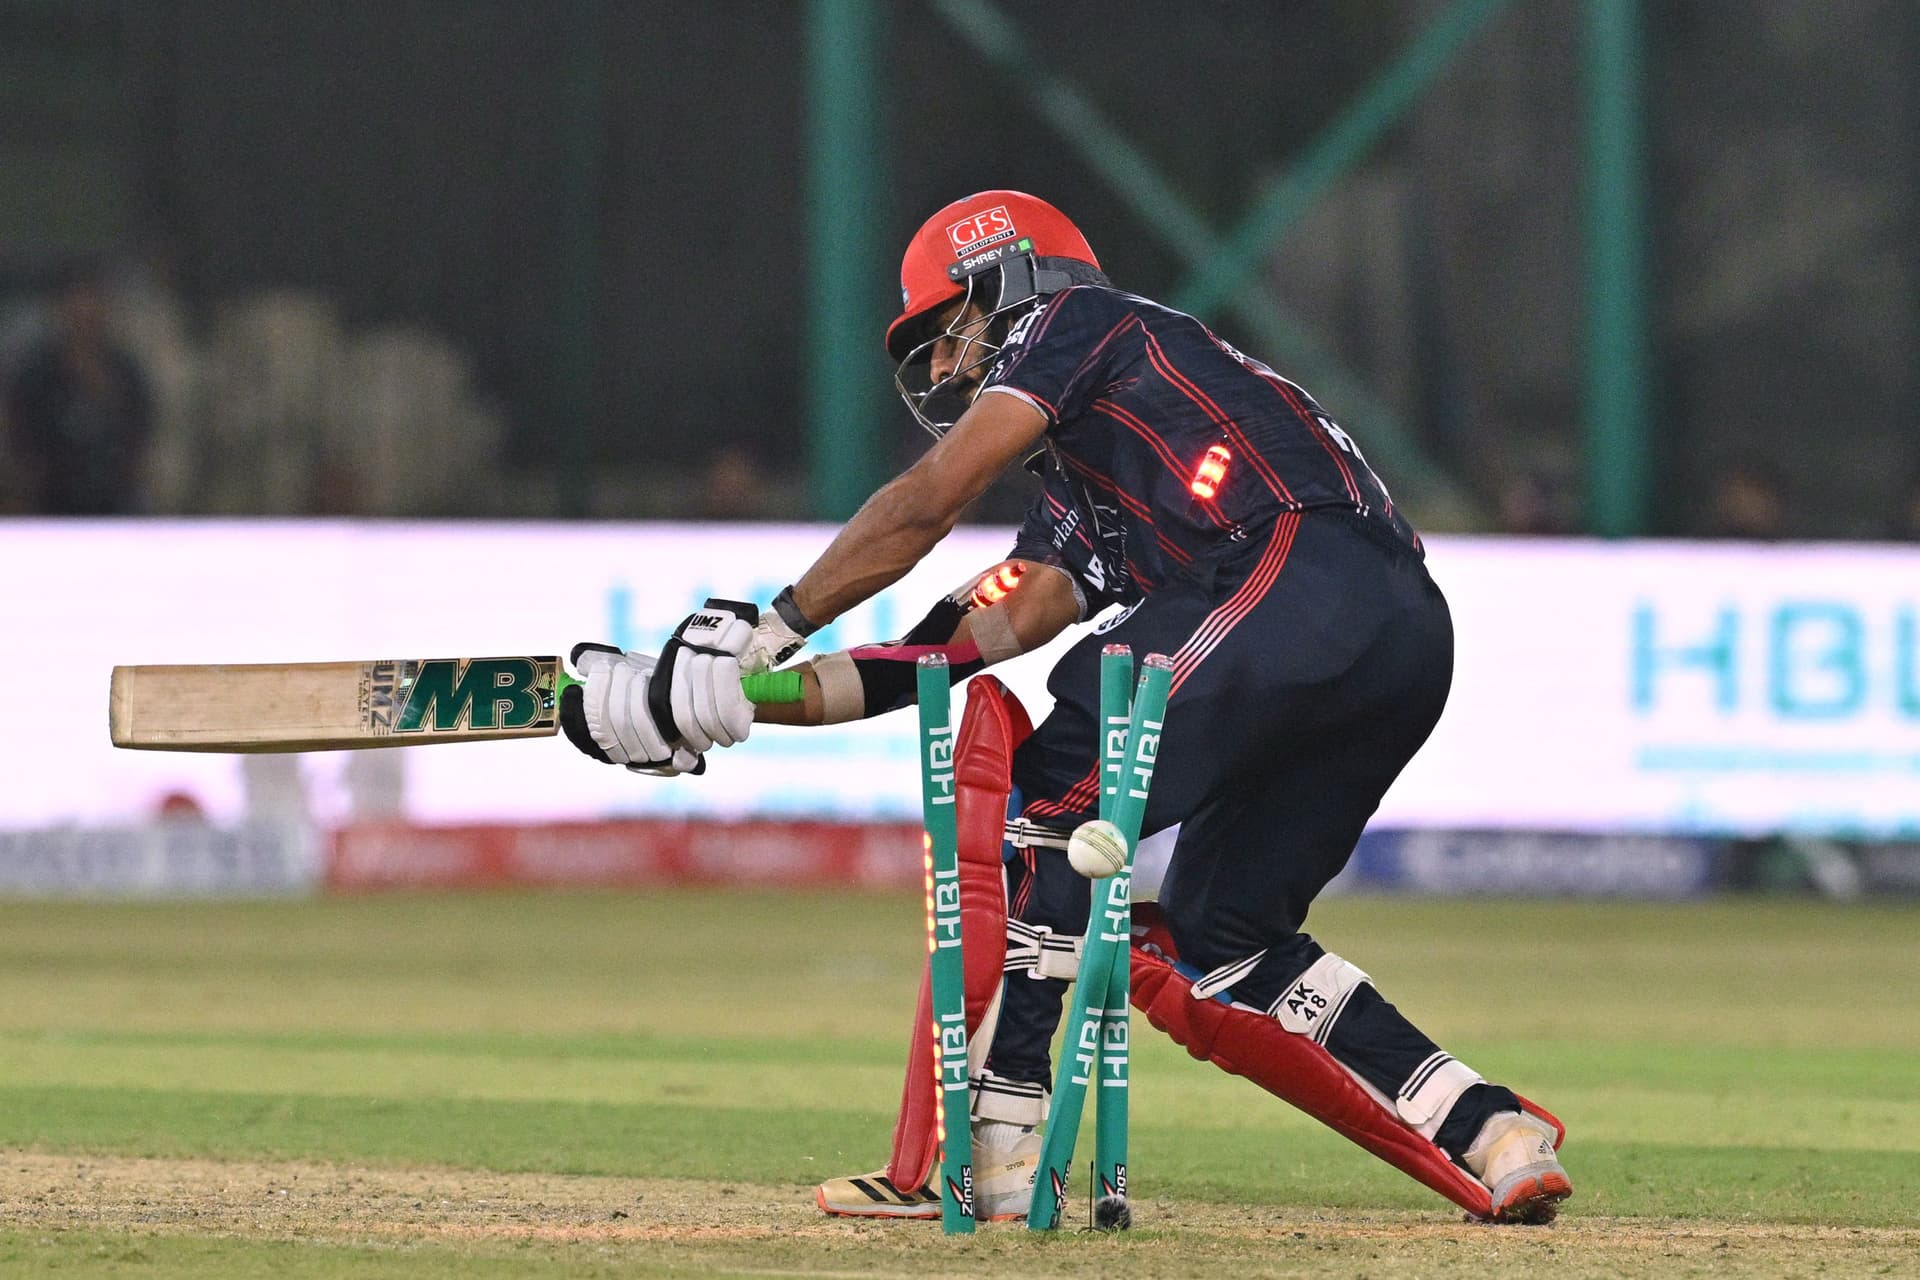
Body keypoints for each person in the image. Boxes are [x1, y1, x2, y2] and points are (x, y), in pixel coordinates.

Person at [561, 191, 1571, 1224]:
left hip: (1291, 572)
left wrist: (768, 623)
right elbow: (938, 650)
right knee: (1227, 931)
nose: (943, 369)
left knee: (1042, 795)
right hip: (1392, 636)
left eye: (946, 329)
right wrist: (734, 697)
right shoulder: (1086, 491)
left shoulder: (1078, 323)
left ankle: (995, 1150)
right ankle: (1488, 1126)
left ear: (1007, 282)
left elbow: (930, 497)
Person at [3, 259, 155, 514]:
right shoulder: (35, 376)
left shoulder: (125, 371)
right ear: (60, 307)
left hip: (117, 506)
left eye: (92, 300)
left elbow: (141, 435)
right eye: (76, 300)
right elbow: (20, 441)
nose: (84, 311)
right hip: (51, 507)